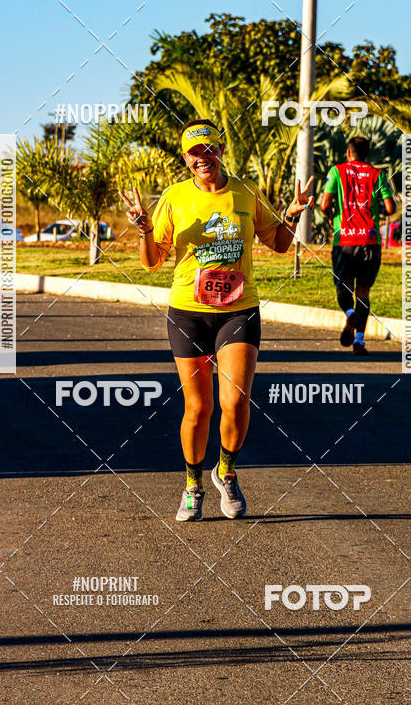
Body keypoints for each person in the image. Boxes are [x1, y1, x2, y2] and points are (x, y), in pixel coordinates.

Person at [119, 119, 314, 522]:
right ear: (186, 159)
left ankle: (226, 471)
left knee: (235, 400)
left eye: (207, 149)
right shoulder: (174, 197)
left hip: (239, 311)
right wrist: (144, 229)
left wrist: (292, 214)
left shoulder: (244, 192)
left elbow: (277, 244)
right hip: (188, 313)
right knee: (199, 408)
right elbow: (153, 261)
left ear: (220, 150)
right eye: (193, 153)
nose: (201, 158)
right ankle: (193, 485)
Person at [320, 136, 396, 355]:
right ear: (368, 154)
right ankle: (359, 342)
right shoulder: (377, 174)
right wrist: (376, 211)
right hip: (370, 242)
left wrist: (330, 217)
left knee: (343, 287)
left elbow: (325, 204)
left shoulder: (337, 171)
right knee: (363, 291)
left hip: (344, 240)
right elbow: (390, 208)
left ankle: (350, 312)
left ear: (348, 152)